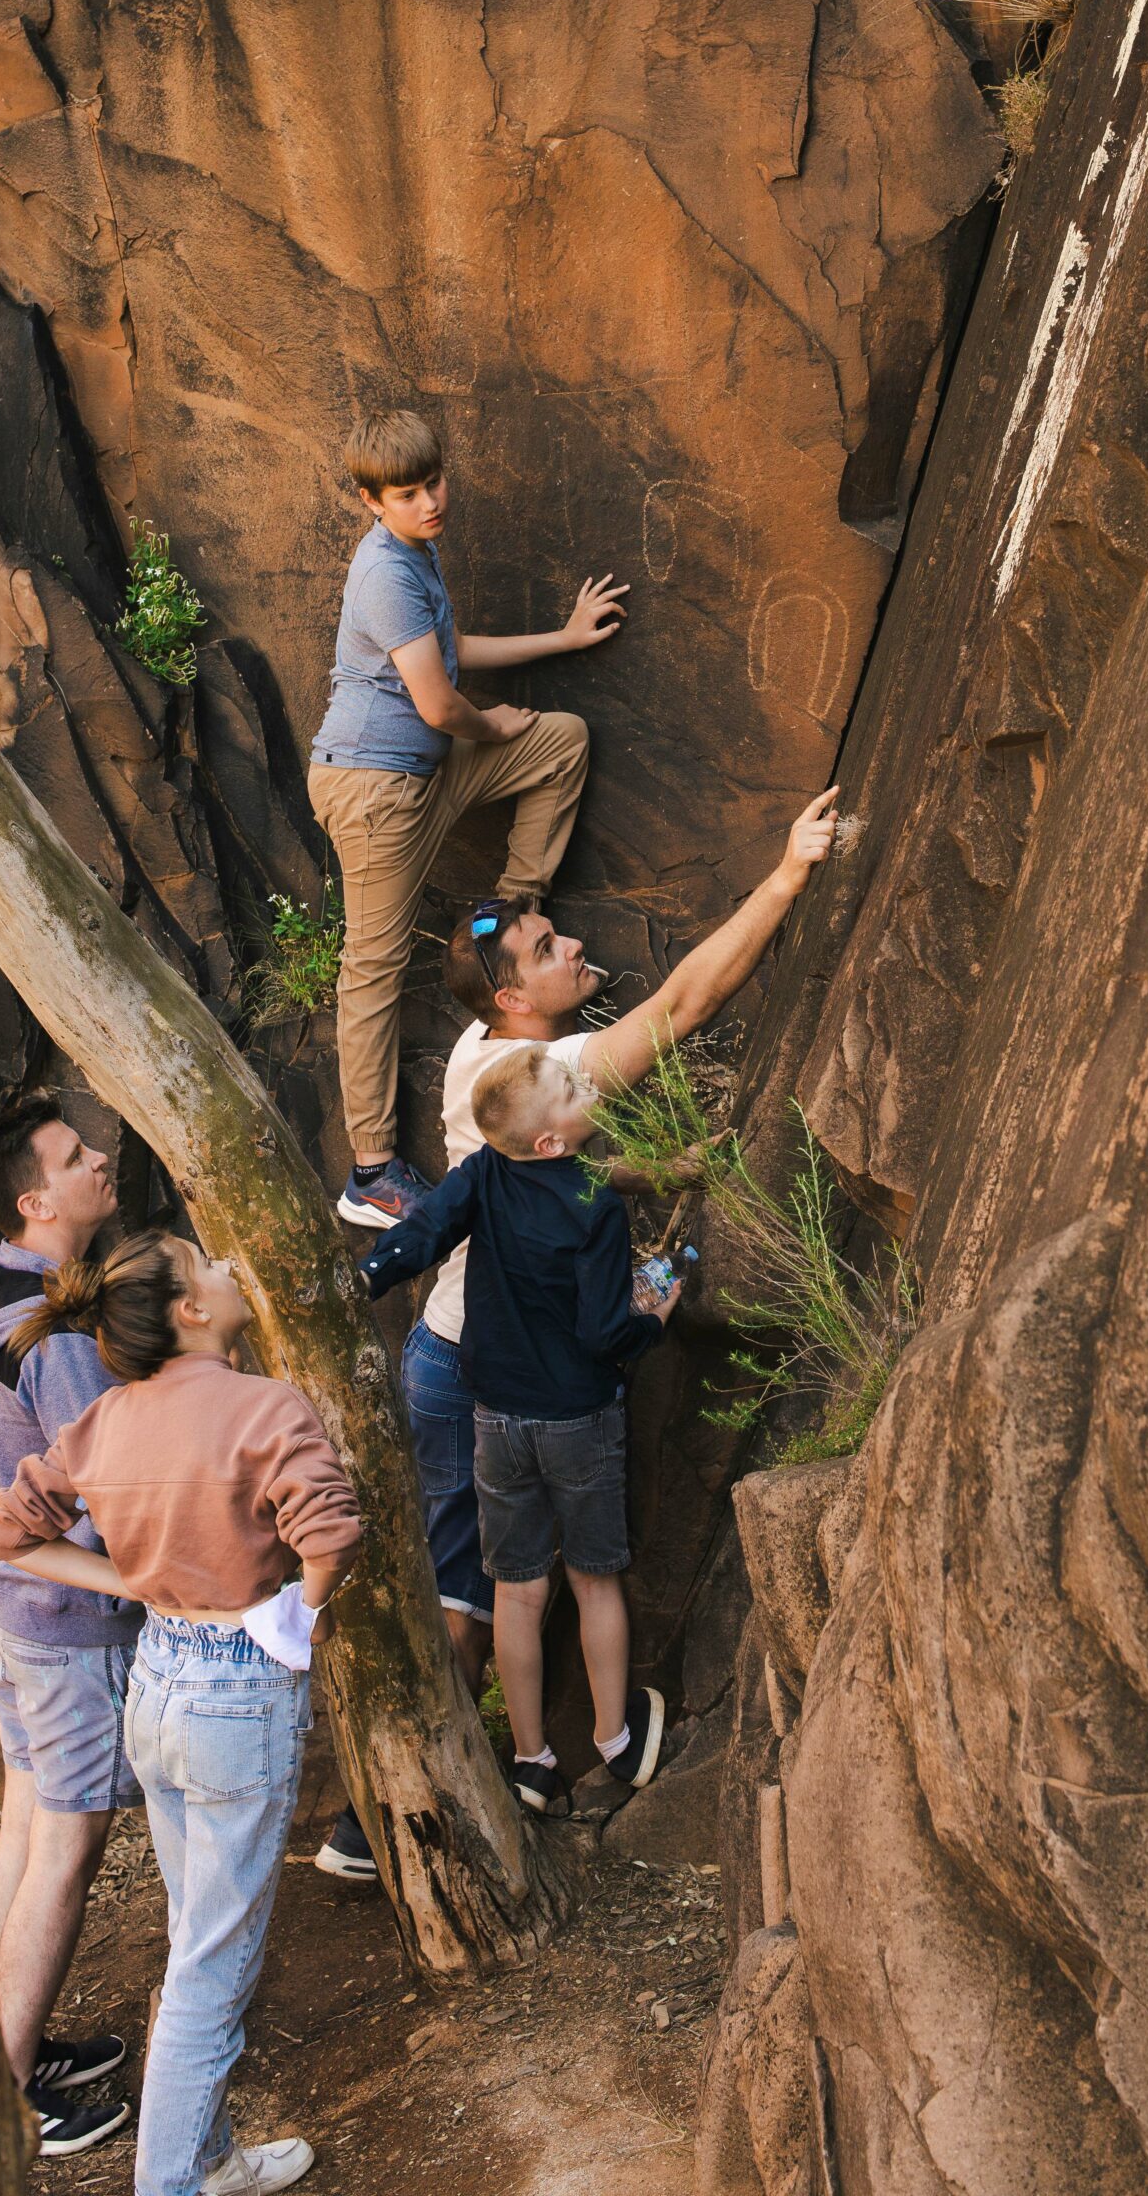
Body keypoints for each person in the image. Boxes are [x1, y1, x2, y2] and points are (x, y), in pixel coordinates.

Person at [314, 783, 839, 1878]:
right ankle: (380, 1821)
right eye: (552, 947)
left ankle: (529, 1761)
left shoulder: (482, 1047)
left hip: (474, 1353)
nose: (575, 945)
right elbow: (687, 1001)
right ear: (511, 1002)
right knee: (467, 1597)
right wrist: (788, 872)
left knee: (502, 1582)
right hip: (472, 1368)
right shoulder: (530, 1079)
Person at [0, 1230, 362, 2196]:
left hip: (154, 1683)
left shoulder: (107, 1417)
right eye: (210, 1263)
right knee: (211, 1969)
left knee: (196, 1931)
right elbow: (331, 1532)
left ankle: (207, 2157)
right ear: (191, 1311)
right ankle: (173, 2184)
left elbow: (7, 1532)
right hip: (238, 1693)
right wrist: (296, 1617)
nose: (232, 1265)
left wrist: (130, 1580)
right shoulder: (264, 1406)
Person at [307, 407, 628, 1233]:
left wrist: (562, 638)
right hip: (374, 790)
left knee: (559, 741)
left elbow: (451, 650)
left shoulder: (418, 552)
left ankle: (507, 947)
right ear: (371, 502)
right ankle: (371, 1170)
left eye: (434, 483)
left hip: (426, 772)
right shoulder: (383, 571)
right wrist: (492, 727)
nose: (428, 501)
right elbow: (443, 702)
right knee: (371, 967)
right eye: (407, 494)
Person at [359, 1047, 684, 1813]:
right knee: (595, 1577)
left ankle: (531, 1760)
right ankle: (613, 1740)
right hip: (578, 1418)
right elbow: (605, 1332)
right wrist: (653, 1322)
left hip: (495, 1418)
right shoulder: (595, 1204)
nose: (585, 1086)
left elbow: (424, 1231)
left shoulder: (483, 1173)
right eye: (571, 1088)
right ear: (551, 1143)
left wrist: (369, 1275)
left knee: (516, 1588)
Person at [0, 1095, 140, 2159]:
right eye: (75, 1156)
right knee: (70, 1835)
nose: (100, 1159)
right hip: (64, 1617)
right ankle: (7, 2094)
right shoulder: (54, 1334)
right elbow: (105, 1488)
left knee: (25, 1823)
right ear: (35, 1198)